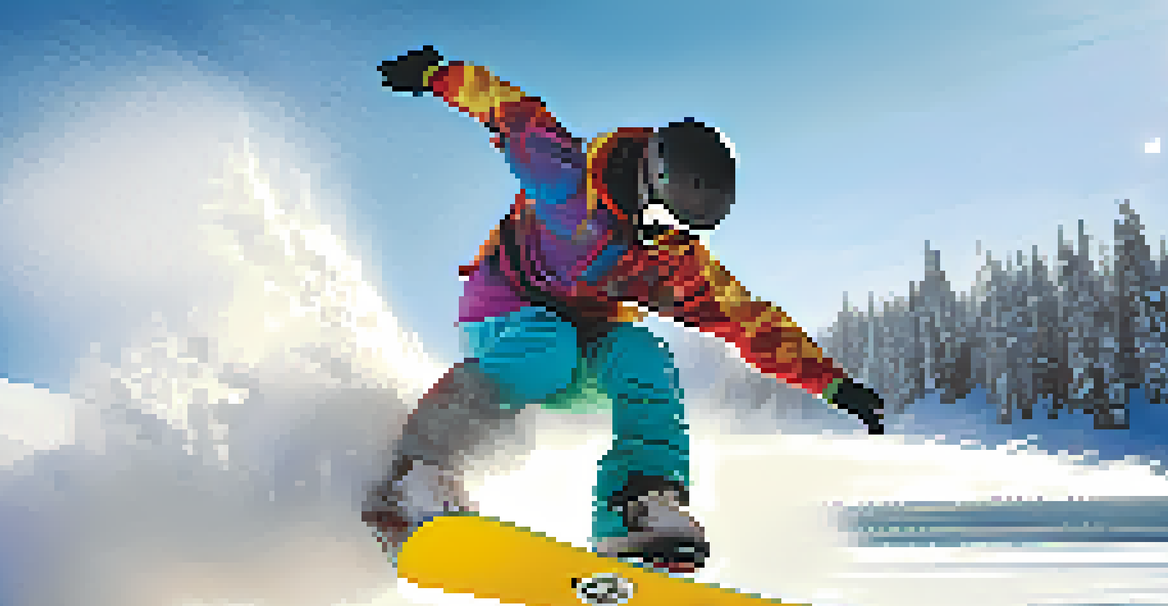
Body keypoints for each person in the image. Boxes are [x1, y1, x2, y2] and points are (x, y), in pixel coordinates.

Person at [363, 45, 885, 574]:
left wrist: (834, 384)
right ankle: (419, 472)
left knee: (645, 358)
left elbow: (749, 321)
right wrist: (437, 74)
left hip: (587, 336)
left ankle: (637, 508)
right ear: (653, 183)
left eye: (693, 224)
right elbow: (509, 110)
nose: (672, 237)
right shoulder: (567, 178)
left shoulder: (674, 261)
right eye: (674, 217)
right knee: (547, 347)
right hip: (505, 313)